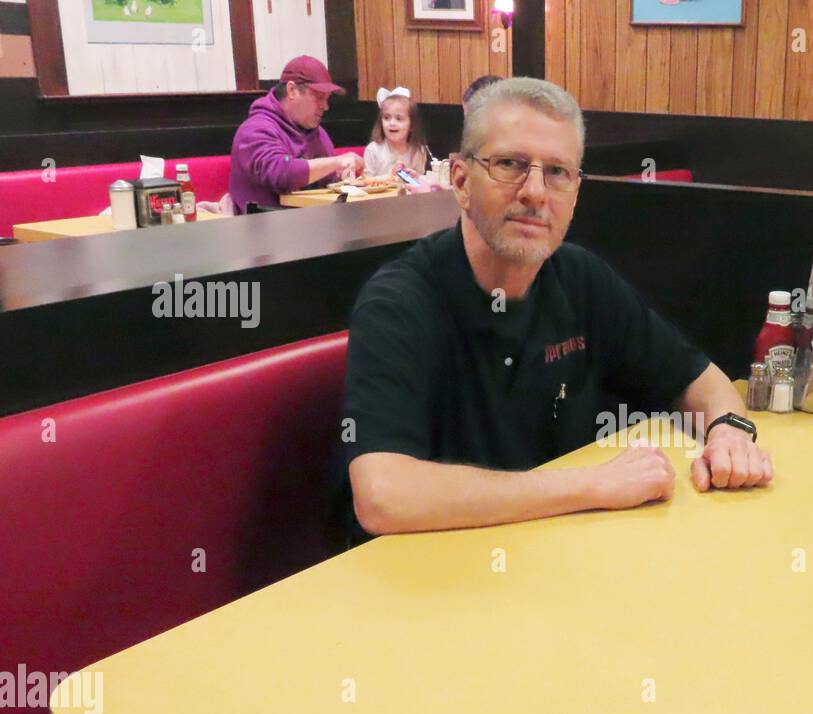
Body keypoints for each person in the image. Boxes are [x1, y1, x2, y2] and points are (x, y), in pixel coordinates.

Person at [341, 78, 773, 540]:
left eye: (558, 172)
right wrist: (592, 484)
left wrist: (729, 430)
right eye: (510, 164)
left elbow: (698, 378)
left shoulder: (581, 277)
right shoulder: (400, 303)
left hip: (551, 555)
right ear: (461, 181)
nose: (535, 192)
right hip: (423, 585)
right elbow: (384, 496)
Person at [228, 55, 361, 214]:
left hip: (315, 225)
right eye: (319, 97)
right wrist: (336, 162)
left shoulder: (319, 134)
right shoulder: (254, 130)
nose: (325, 107)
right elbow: (282, 173)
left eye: (327, 99)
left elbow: (329, 183)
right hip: (263, 230)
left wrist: (344, 175)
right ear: (292, 90)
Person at [364, 86, 430, 177]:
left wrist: (416, 177)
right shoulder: (373, 150)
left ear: (412, 125)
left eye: (399, 119)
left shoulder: (418, 151)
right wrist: (390, 176)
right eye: (386, 118)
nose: (392, 123)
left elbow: (420, 184)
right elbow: (367, 182)